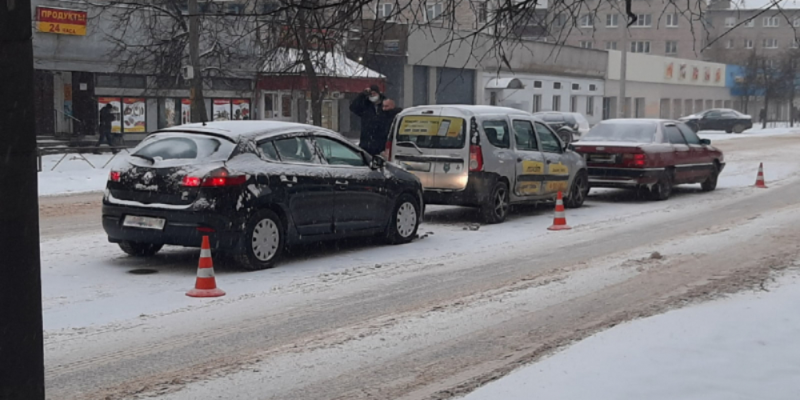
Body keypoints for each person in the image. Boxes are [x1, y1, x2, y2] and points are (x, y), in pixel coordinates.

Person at [349, 85, 402, 156]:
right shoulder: (366, 106)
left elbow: (396, 112)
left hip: (382, 143)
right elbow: (353, 107)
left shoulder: (385, 105)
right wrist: (362, 95)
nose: (372, 96)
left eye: (374, 93)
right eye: (371, 94)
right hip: (367, 142)